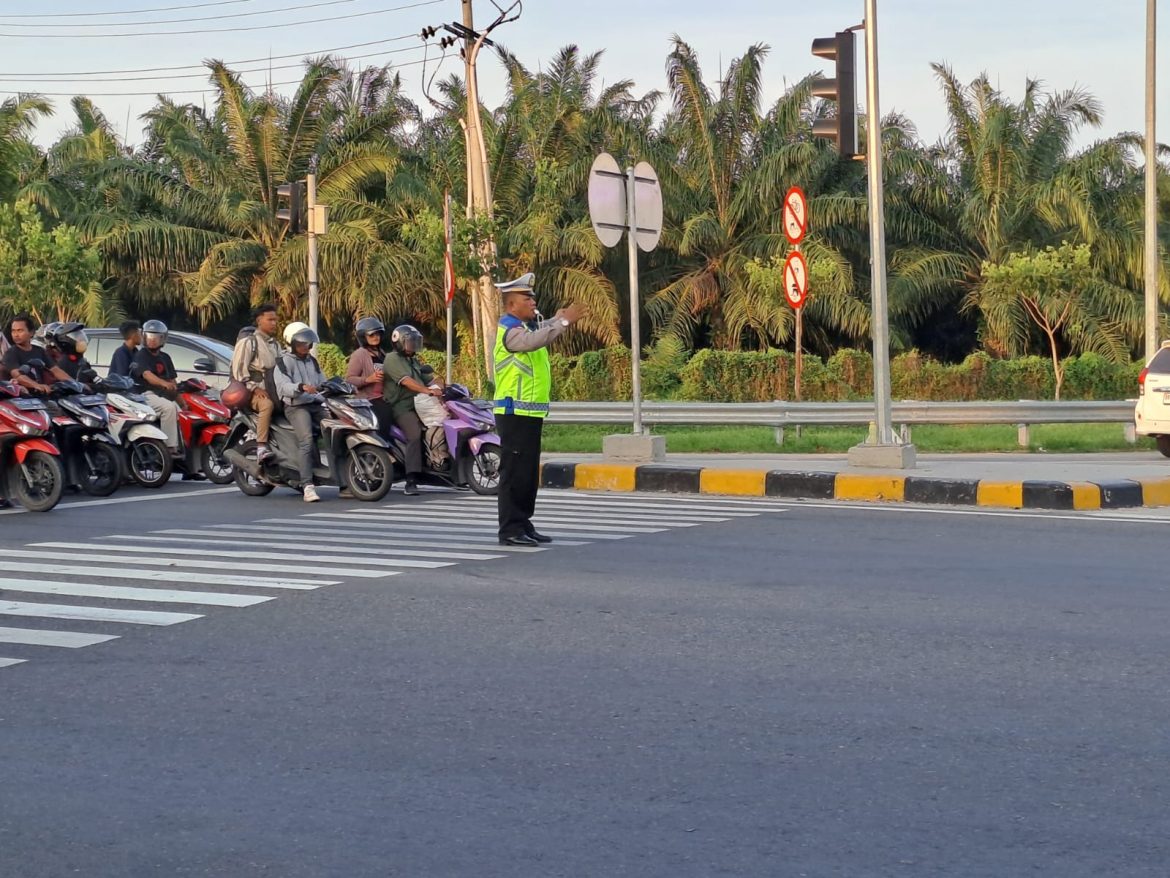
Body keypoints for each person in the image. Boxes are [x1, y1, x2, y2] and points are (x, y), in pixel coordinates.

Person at [493, 272, 583, 546]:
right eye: (526, 297)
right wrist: (564, 321)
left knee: (528, 473)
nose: (533, 301)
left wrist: (558, 319)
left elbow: (541, 332)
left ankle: (523, 523)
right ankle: (510, 529)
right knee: (515, 473)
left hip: (529, 414)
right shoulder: (510, 331)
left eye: (532, 297)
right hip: (514, 414)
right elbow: (534, 341)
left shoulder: (525, 327)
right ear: (511, 305)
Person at [383, 324, 440, 496]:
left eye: (415, 342)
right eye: (410, 342)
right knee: (414, 434)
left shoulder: (413, 360)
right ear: (399, 342)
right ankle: (411, 479)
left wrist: (442, 385)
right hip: (402, 407)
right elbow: (407, 381)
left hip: (421, 404)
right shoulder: (392, 359)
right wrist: (428, 391)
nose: (413, 345)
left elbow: (429, 378)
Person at [275, 323, 327, 503]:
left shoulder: (312, 360)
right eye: (301, 343)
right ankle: (307, 486)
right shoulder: (283, 361)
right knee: (306, 440)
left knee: (336, 431)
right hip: (296, 406)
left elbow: (322, 380)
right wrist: (301, 387)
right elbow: (283, 387)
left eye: (308, 343)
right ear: (292, 343)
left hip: (315, 404)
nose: (306, 347)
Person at [229, 303, 281, 461]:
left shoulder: (275, 345)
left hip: (274, 391)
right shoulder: (248, 343)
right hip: (252, 393)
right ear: (259, 321)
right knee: (267, 405)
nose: (274, 323)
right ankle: (261, 447)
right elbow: (238, 371)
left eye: (275, 320)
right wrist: (254, 389)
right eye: (270, 319)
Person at [131, 319, 181, 457]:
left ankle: (189, 462)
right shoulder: (140, 355)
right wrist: (164, 384)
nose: (152, 340)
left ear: (163, 338)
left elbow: (172, 381)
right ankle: (169, 449)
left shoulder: (165, 357)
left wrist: (184, 402)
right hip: (145, 394)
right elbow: (147, 375)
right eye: (149, 337)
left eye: (156, 337)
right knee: (168, 408)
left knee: (185, 413)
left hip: (163, 395)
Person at [3, 315, 66, 394]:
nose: (16, 334)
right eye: (13, 331)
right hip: (21, 398)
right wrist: (36, 385)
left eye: (20, 331)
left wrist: (76, 384)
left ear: (31, 332)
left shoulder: (40, 351)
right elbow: (18, 376)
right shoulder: (11, 353)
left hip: (42, 395)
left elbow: (55, 370)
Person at [413, 363, 450, 470]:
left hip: (427, 396)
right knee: (432, 433)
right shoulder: (399, 365)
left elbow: (435, 382)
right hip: (409, 405)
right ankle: (437, 461)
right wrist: (429, 390)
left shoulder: (415, 362)